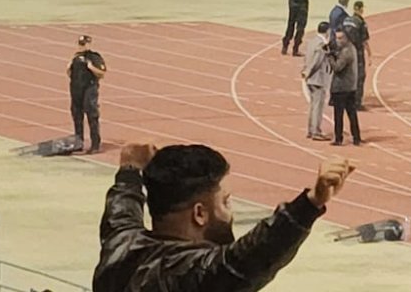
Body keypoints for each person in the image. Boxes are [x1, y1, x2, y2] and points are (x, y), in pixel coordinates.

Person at [93, 142, 351, 292]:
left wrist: (129, 170)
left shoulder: (120, 246)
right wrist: (311, 203)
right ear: (200, 214)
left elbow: (122, 212)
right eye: (225, 202)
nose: (230, 213)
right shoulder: (187, 273)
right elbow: (250, 257)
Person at [70, 34, 106, 154]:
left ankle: (95, 144)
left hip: (89, 89)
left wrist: (91, 67)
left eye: (84, 44)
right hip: (76, 89)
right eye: (80, 44)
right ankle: (78, 144)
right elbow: (71, 73)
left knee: (92, 115)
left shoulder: (94, 57)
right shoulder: (75, 57)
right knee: (77, 116)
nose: (81, 46)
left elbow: (102, 73)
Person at [301, 25, 333, 141]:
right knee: (317, 107)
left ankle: (310, 129)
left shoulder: (311, 42)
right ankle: (315, 131)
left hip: (310, 79)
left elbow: (306, 58)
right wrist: (309, 72)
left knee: (313, 106)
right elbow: (317, 61)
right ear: (327, 31)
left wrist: (304, 70)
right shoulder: (321, 45)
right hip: (317, 79)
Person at [329, 33, 361, 146]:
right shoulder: (351, 48)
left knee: (339, 115)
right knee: (352, 114)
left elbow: (337, 67)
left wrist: (330, 57)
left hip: (341, 88)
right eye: (337, 38)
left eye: (340, 38)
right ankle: (356, 137)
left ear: (346, 38)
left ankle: (338, 138)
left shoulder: (346, 52)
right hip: (350, 87)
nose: (337, 40)